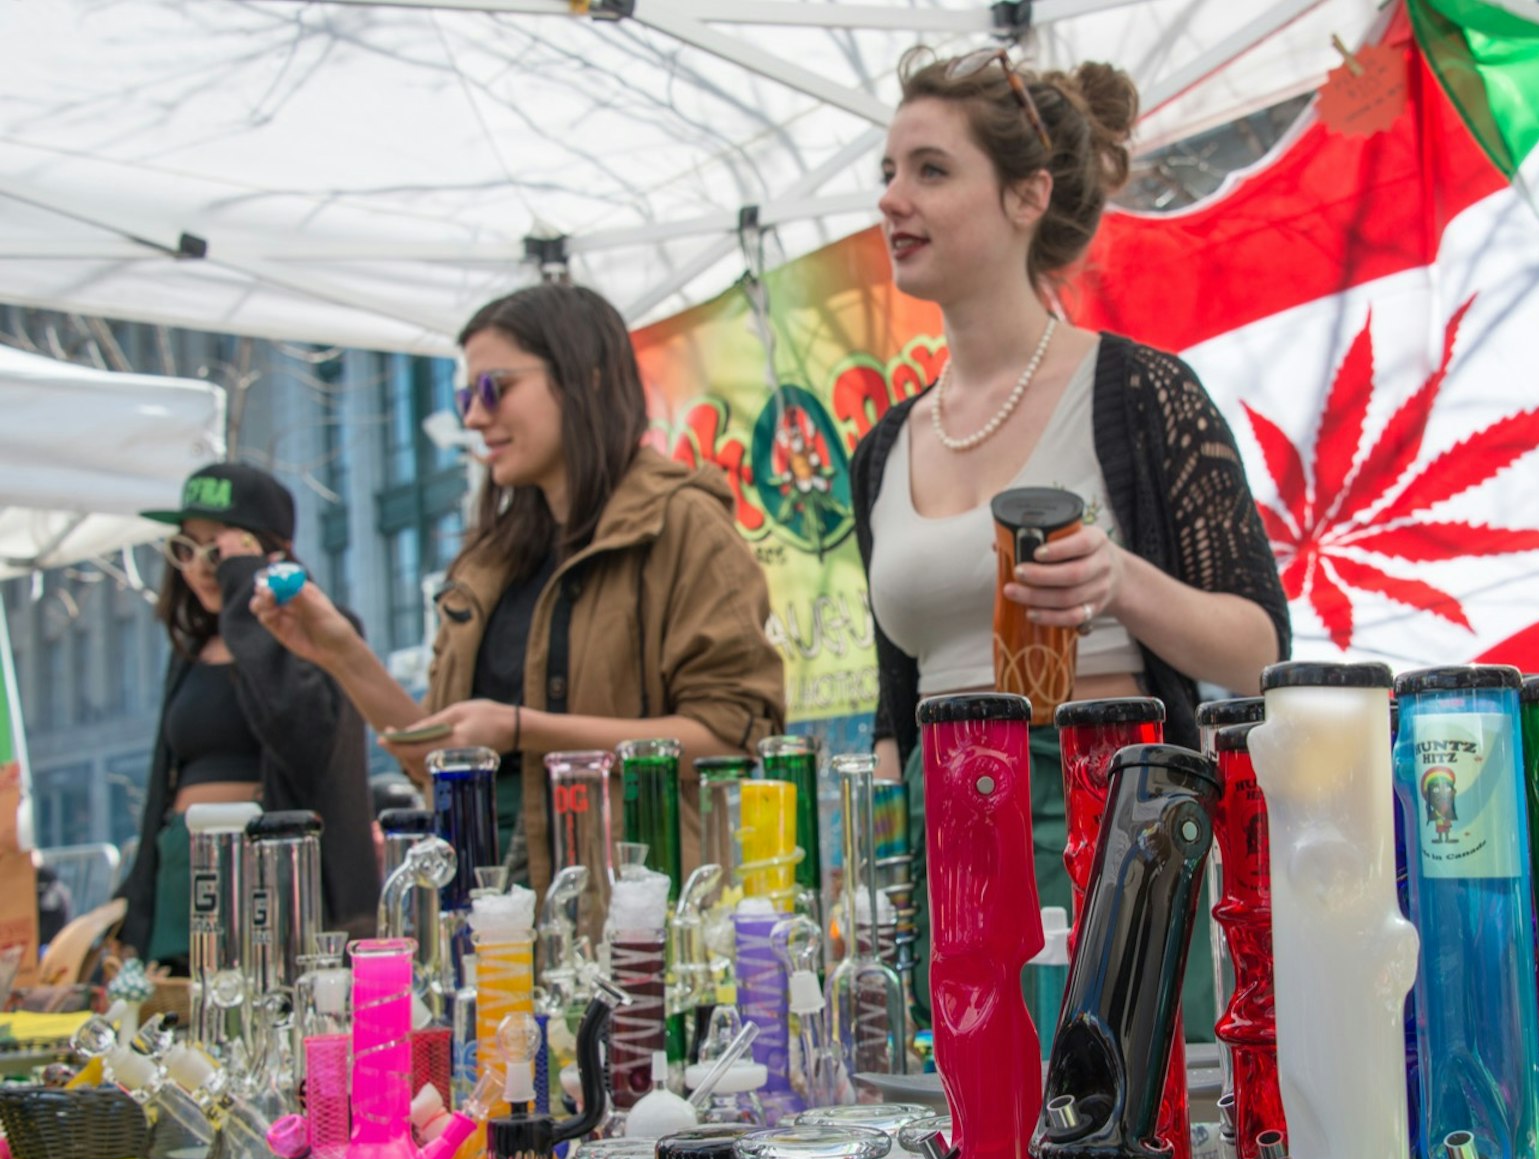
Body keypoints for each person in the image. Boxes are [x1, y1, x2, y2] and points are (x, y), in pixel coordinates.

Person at [851, 49, 1291, 1025]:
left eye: (929, 169)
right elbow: (894, 704)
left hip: (1102, 806)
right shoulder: (883, 446)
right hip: (946, 830)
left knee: (1112, 1135)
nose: (891, 199)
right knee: (975, 1133)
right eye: (886, 172)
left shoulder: (1139, 390)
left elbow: (1259, 648)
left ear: (1027, 195)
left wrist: (1121, 579)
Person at [253, 283, 786, 893]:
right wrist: (338, 650)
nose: (474, 417)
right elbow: (440, 766)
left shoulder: (682, 524)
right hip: (483, 915)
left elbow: (729, 742)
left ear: (584, 378)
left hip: (630, 919)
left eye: (494, 389)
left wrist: (520, 728)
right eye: (465, 396)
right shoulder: (490, 557)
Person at [118, 463, 379, 967]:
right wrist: (138, 904)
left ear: (271, 554)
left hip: (274, 879)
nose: (198, 567)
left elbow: (305, 739)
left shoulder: (325, 632)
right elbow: (160, 784)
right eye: (186, 549)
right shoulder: (190, 652)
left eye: (219, 552)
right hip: (185, 877)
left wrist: (246, 595)